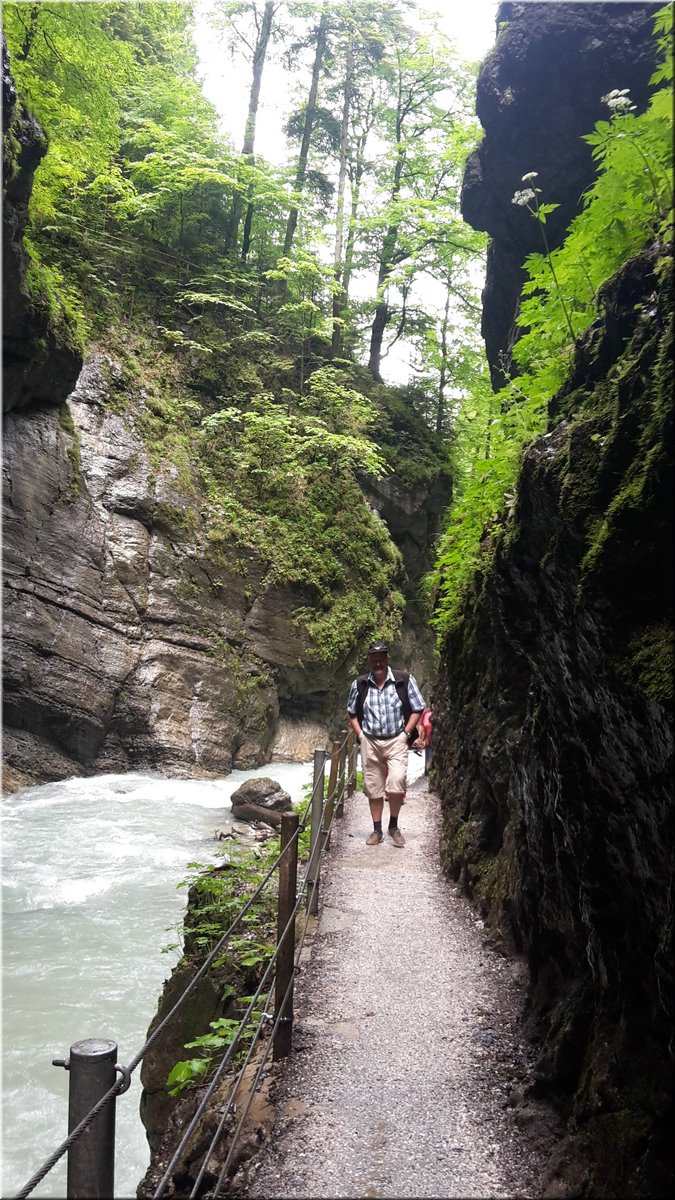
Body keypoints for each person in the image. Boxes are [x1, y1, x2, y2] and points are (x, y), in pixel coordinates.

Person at [347, 641, 426, 848]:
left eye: (381, 657)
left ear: (388, 658)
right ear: (369, 660)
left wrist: (406, 733)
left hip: (396, 739)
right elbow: (352, 713)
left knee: (397, 782)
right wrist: (361, 735)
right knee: (373, 787)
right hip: (370, 740)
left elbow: (418, 708)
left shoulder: (404, 680)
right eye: (374, 658)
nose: (378, 662)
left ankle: (394, 826)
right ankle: (376, 830)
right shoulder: (360, 684)